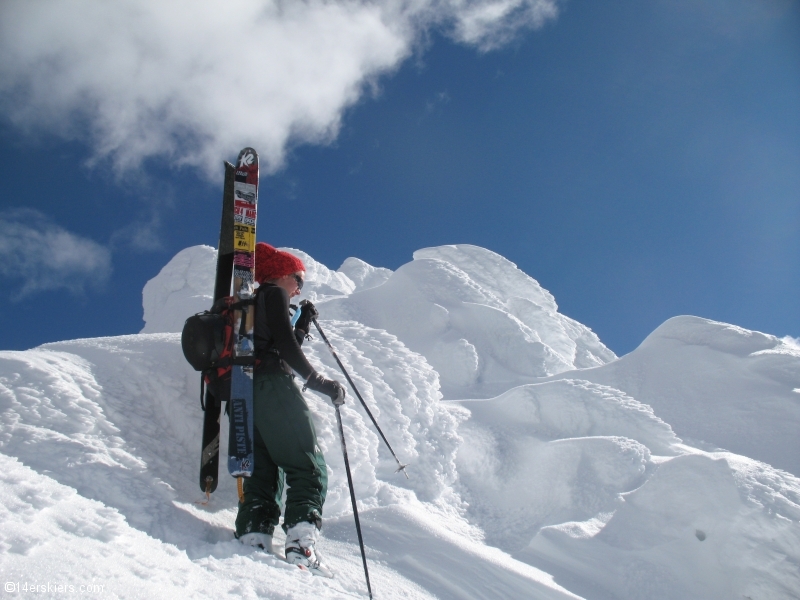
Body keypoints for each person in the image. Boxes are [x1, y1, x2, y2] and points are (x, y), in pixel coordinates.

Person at [235, 242, 345, 578]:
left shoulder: (247, 302)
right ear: (282, 273)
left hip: (242, 391)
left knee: (264, 472)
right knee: (306, 466)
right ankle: (301, 545)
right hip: (272, 386)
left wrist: (302, 324)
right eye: (298, 278)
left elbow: (275, 342)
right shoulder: (273, 294)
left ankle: (253, 535)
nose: (299, 287)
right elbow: (282, 349)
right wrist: (318, 382)